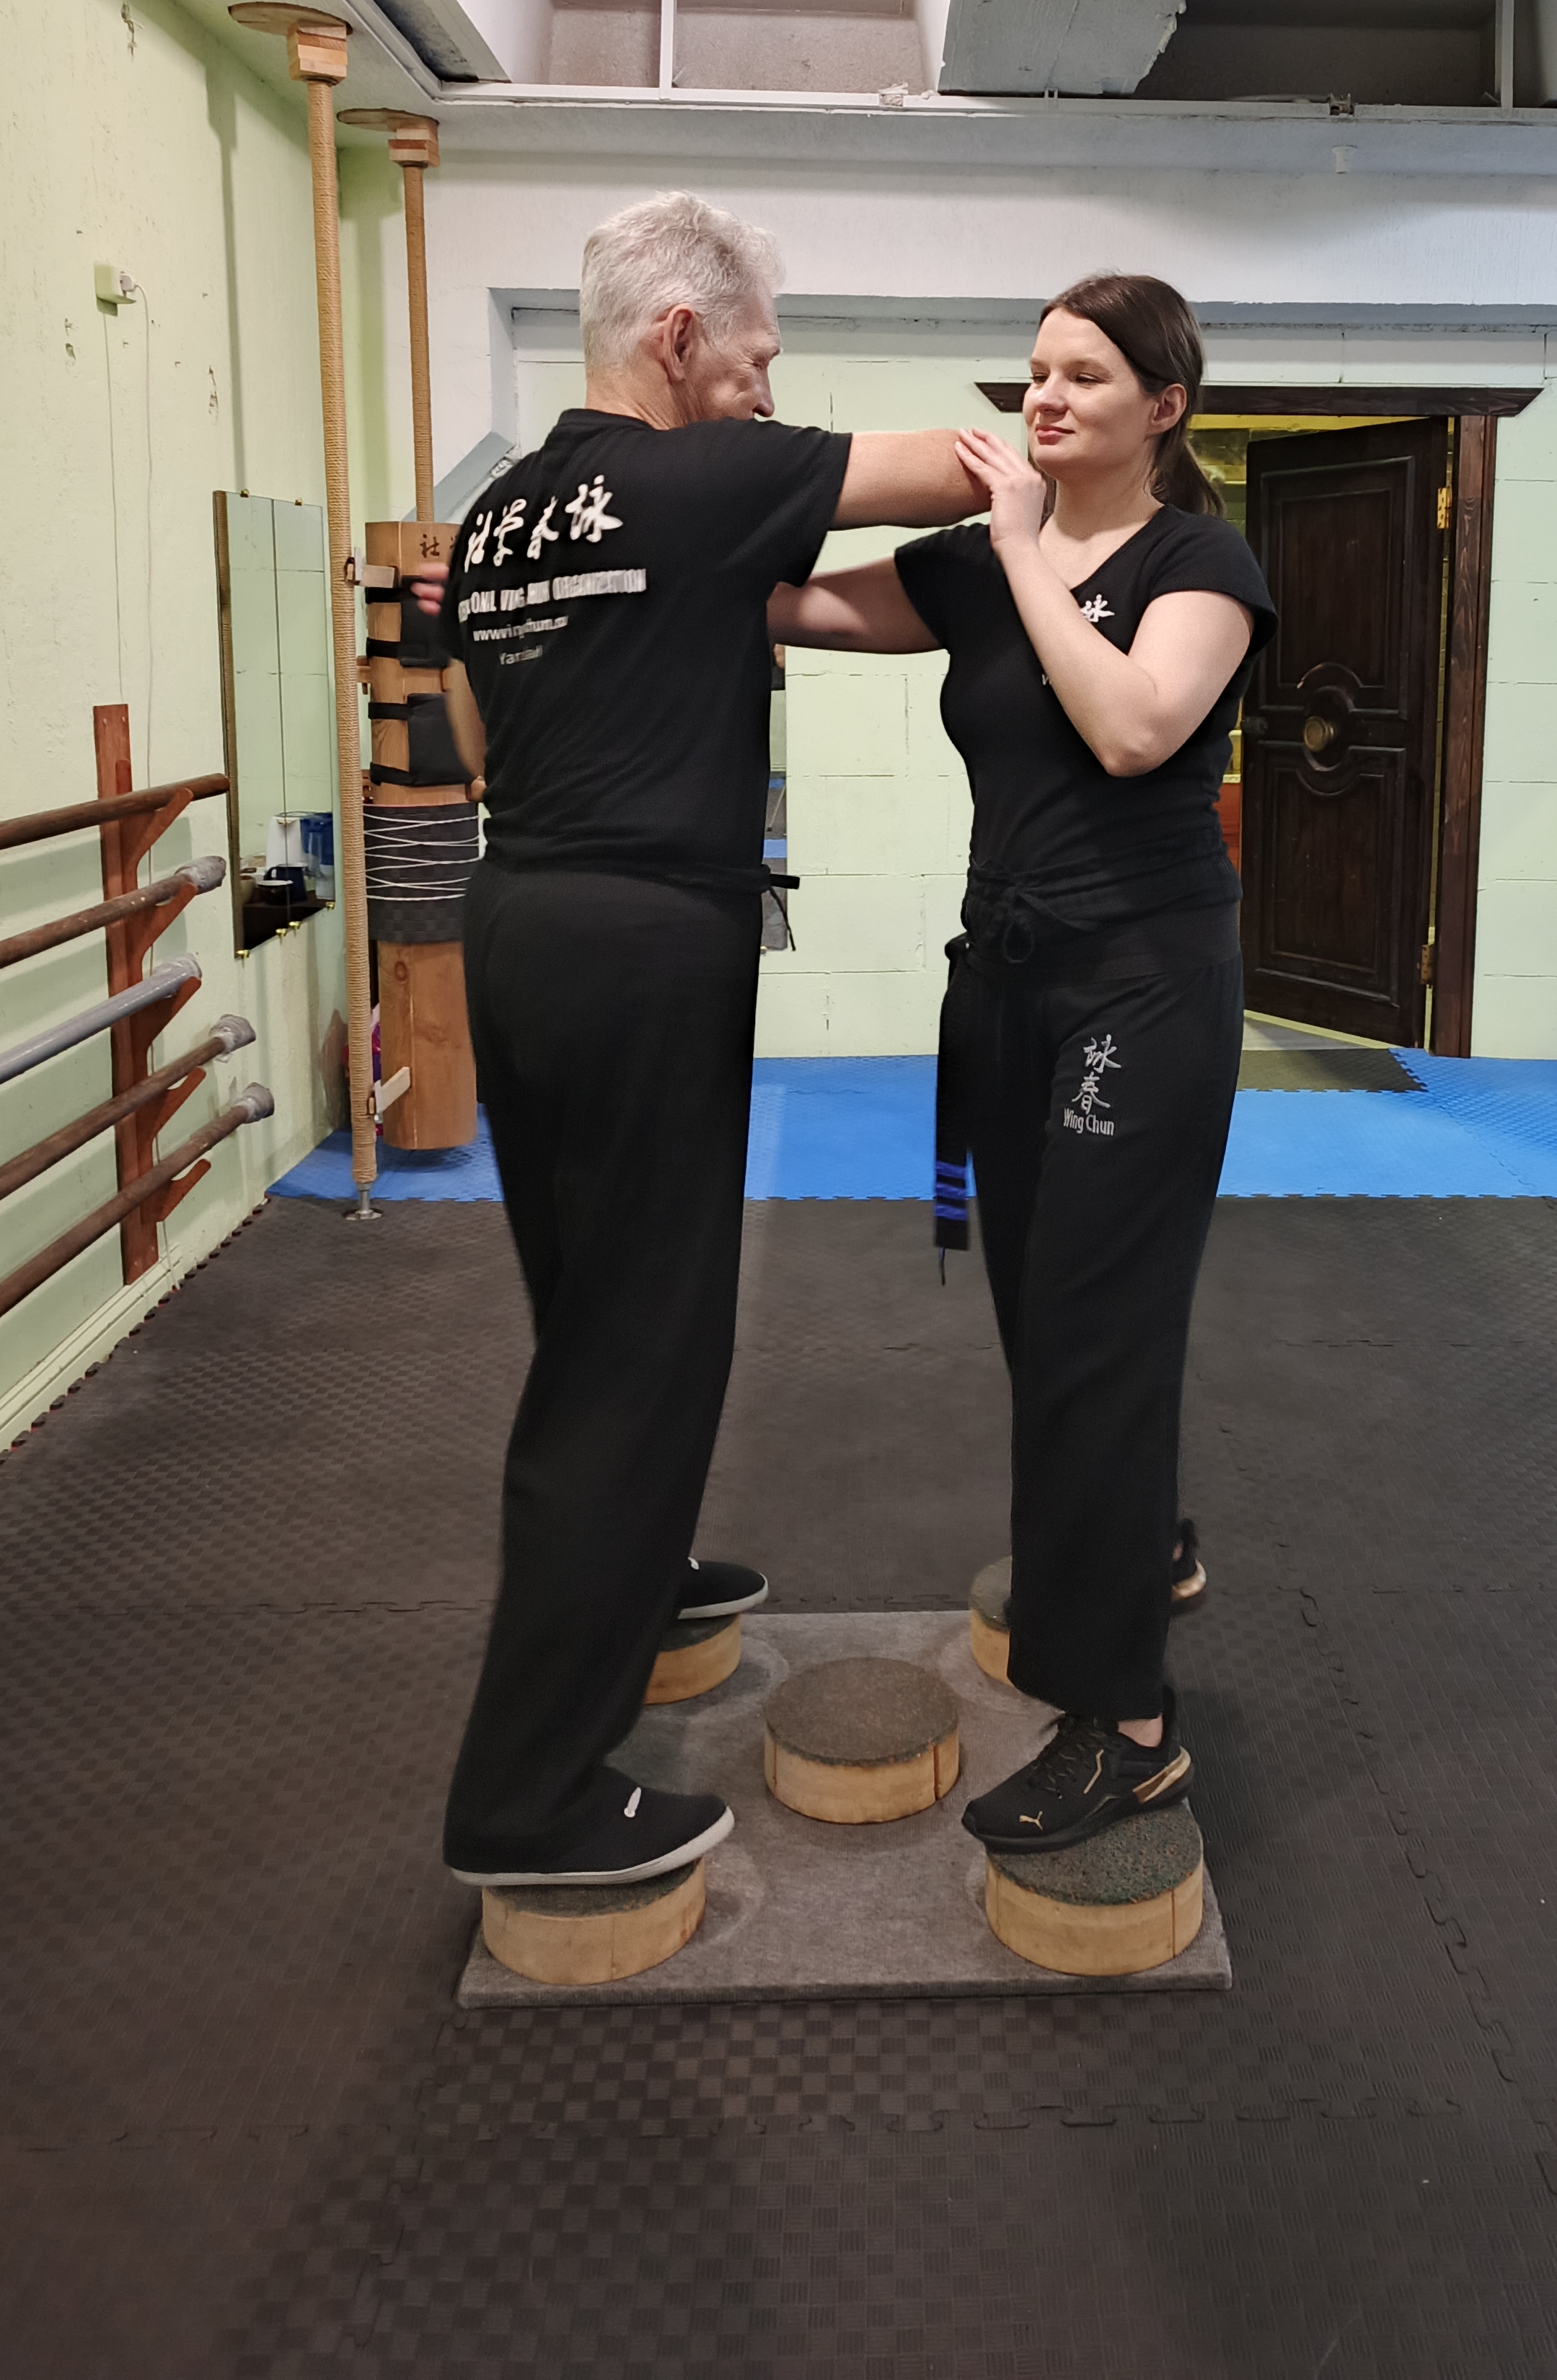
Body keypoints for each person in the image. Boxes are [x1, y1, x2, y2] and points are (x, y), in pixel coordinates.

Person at [413, 193, 984, 1887]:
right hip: (646, 943)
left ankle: (640, 1580)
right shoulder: (702, 477)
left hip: (516, 921)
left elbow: (469, 729)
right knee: (643, 1353)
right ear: (675, 336)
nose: (766, 389)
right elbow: (952, 472)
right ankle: (524, 1795)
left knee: (588, 1308)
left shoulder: (500, 512)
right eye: (756, 357)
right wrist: (1093, 439)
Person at [768, 274, 1274, 1856]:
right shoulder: (990, 560)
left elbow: (1133, 727)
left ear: (1164, 407)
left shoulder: (1199, 564)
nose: (1045, 398)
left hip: (1145, 984)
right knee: (1045, 1316)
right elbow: (808, 608)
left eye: (1086, 376)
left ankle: (1131, 1725)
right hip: (1005, 977)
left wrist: (1015, 549)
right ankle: (1145, 1536)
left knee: (1090, 1330)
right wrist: (670, 547)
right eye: (1037, 372)